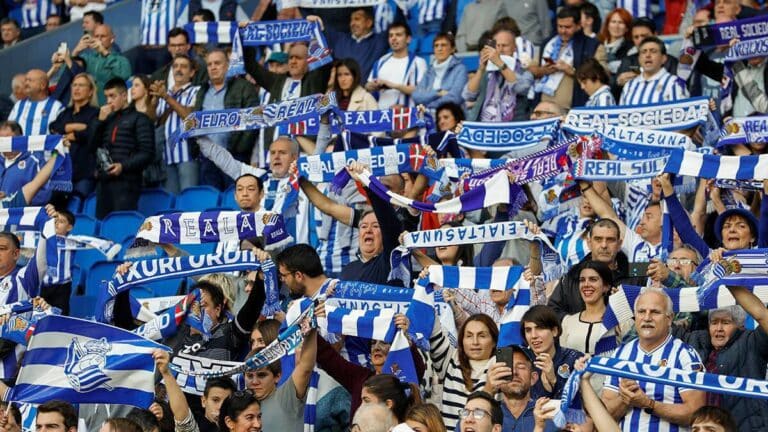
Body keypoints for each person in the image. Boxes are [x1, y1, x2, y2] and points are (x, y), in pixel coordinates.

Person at [601, 288, 706, 431]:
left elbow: (696, 415)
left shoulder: (685, 355)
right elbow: (604, 415)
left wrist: (649, 404)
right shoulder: (619, 354)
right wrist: (624, 399)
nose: (647, 318)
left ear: (669, 318)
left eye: (655, 312)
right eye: (641, 311)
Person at [673, 284, 768, 432]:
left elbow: (763, 316)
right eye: (714, 322)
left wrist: (731, 283)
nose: (718, 328)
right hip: (702, 426)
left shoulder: (751, 341)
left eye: (725, 322)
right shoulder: (695, 340)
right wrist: (668, 279)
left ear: (739, 325)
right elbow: (661, 323)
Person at [547, 219, 642, 320]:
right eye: (598, 239)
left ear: (619, 244)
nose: (604, 245)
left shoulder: (639, 271)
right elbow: (553, 310)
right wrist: (576, 322)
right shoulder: (573, 273)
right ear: (589, 243)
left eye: (610, 240)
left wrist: (624, 309)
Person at [88, 78, 154, 219]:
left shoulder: (140, 119)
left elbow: (147, 153)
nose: (109, 101)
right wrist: (99, 121)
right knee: (103, 224)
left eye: (113, 96)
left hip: (127, 182)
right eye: (106, 97)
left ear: (124, 96)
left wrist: (122, 166)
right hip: (104, 182)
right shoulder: (106, 119)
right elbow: (91, 146)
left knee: (121, 222)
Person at [194, 49, 258, 187]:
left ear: (228, 65)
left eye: (217, 63)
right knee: (211, 197)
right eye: (209, 64)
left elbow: (253, 120)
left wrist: (240, 149)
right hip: (208, 158)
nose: (213, 67)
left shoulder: (244, 87)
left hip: (234, 156)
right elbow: (195, 120)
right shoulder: (202, 90)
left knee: (235, 194)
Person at [428, 312, 497, 430]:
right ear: (461, 340)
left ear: (494, 341)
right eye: (469, 336)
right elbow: (432, 323)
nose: (475, 342)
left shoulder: (501, 366)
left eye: (482, 336)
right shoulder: (450, 359)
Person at [531, 6, 606, 109]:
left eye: (567, 27)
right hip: (543, 108)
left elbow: (602, 77)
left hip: (572, 110)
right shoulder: (547, 43)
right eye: (560, 26)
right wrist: (542, 71)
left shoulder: (593, 46)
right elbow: (532, 69)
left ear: (578, 25)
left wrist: (571, 71)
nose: (563, 31)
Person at [150, 54, 201, 194]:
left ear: (192, 72)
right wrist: (154, 100)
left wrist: (166, 97)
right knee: (172, 202)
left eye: (183, 67)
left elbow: (189, 117)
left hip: (188, 156)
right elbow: (152, 120)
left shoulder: (196, 91)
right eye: (175, 66)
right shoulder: (164, 93)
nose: (178, 70)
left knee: (189, 199)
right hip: (166, 156)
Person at [463, 26, 535, 122]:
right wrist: (480, 70)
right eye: (497, 46)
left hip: (512, 126)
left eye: (504, 45)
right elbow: (468, 96)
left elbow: (520, 88)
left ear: (514, 48)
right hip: (483, 125)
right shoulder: (487, 71)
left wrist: (500, 63)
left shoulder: (524, 71)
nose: (500, 50)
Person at [49, 73, 100, 198]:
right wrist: (74, 127)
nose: (76, 88)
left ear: (90, 91)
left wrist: (69, 135)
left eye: (81, 85)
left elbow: (91, 134)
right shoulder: (65, 113)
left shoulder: (96, 113)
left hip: (85, 171)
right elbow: (53, 128)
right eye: (74, 85)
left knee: (80, 202)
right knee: (55, 206)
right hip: (63, 172)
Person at [520, 305, 583, 400]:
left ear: (554, 331)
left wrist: (553, 380)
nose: (533, 336)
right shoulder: (520, 361)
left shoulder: (574, 359)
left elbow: (576, 403)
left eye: (540, 328)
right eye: (528, 330)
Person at [366, 22, 428, 109]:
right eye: (391, 35)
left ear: (408, 39)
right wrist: (371, 86)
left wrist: (392, 85)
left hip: (406, 114)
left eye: (398, 35)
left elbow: (421, 91)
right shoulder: (381, 61)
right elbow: (367, 86)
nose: (393, 38)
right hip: (381, 114)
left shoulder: (418, 62)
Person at [613, 17, 678, 99]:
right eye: (636, 37)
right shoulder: (628, 61)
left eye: (644, 36)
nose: (640, 40)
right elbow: (615, 95)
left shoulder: (671, 62)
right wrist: (618, 84)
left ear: (655, 35)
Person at [560, 261, 616, 354]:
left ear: (606, 286)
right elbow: (562, 358)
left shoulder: (620, 322)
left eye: (593, 279)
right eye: (582, 280)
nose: (586, 284)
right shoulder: (568, 322)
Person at [72, 24, 132, 104]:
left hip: (108, 104)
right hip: (88, 105)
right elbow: (68, 73)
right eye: (96, 36)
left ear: (112, 39)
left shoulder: (121, 60)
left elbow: (123, 75)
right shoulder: (87, 58)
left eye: (103, 36)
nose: (99, 39)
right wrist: (76, 51)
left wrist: (104, 52)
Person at [619, 36, 689, 105]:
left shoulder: (674, 83)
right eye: (644, 52)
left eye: (653, 51)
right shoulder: (629, 85)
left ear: (663, 58)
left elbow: (682, 110)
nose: (648, 55)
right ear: (639, 59)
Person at [323, 7, 388, 79]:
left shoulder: (380, 41)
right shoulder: (340, 39)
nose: (352, 23)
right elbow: (322, 28)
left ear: (369, 23)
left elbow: (396, 26)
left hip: (368, 86)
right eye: (351, 20)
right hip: (340, 86)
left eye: (357, 19)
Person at [412, 33, 467, 111]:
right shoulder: (429, 71)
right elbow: (416, 96)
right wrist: (438, 93)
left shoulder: (460, 69)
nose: (439, 49)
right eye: (436, 45)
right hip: (429, 115)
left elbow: (455, 98)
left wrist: (429, 105)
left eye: (443, 45)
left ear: (453, 49)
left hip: (451, 115)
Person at [8, 69, 64, 137]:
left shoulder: (56, 107)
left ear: (42, 85)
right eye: (26, 80)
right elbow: (9, 129)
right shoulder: (18, 105)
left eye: (30, 80)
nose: (26, 83)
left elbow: (62, 134)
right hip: (20, 144)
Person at [598, 8, 633, 75]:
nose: (616, 26)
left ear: (627, 28)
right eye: (613, 22)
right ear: (607, 25)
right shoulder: (597, 44)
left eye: (621, 22)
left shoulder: (631, 48)